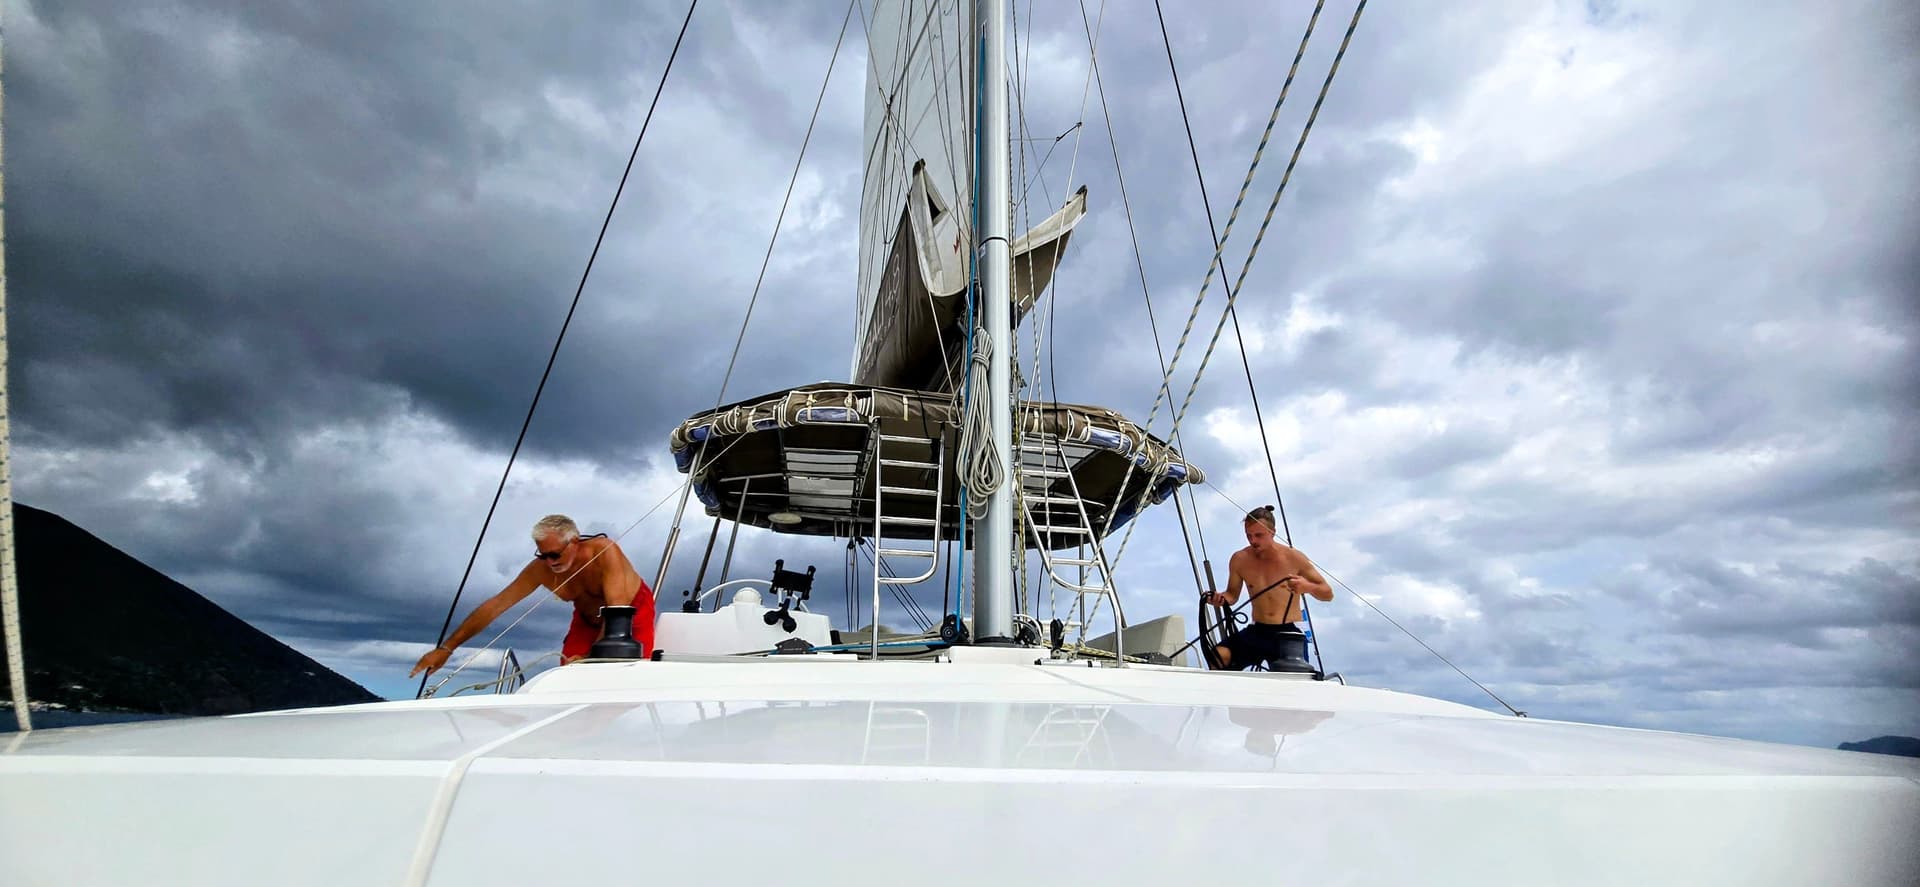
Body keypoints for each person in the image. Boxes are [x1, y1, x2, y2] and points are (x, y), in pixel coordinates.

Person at [409, 514, 657, 678]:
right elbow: (497, 605)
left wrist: (591, 657)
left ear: (575, 542)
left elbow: (617, 609)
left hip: (629, 617)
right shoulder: (541, 569)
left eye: (554, 554)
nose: (549, 562)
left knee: (621, 675)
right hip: (585, 620)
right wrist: (447, 648)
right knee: (569, 677)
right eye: (542, 555)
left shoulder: (604, 553)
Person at [1204, 505, 1332, 670]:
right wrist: (1218, 599)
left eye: (1258, 535)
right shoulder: (1239, 559)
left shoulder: (1294, 558)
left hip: (1288, 631)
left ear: (1272, 532)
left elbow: (1327, 594)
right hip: (1258, 630)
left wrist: (1306, 587)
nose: (1253, 541)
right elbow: (1231, 596)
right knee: (1219, 656)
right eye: (1249, 536)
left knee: (1295, 679)